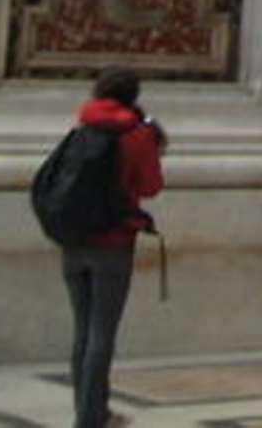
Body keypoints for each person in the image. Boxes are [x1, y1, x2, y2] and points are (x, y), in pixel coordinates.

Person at [61, 68, 166, 428]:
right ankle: (91, 419)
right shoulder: (136, 135)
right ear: (133, 96)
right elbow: (151, 186)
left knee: (83, 330)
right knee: (102, 332)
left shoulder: (81, 129)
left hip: (73, 240)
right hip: (113, 242)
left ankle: (90, 412)